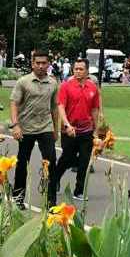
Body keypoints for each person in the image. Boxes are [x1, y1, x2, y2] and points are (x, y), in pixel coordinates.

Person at [9, 50, 59, 209]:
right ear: (32, 64)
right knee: (22, 163)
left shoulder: (53, 83)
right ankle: (18, 197)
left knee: (51, 164)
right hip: (26, 128)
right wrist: (15, 125)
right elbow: (14, 103)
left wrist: (56, 130)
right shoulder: (23, 82)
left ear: (48, 64)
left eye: (44, 63)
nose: (40, 66)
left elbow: (54, 108)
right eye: (37, 63)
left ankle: (51, 202)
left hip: (45, 127)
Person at [51, 58, 101, 202]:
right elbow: (60, 107)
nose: (78, 72)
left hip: (86, 130)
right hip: (70, 130)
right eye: (76, 69)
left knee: (85, 161)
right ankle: (55, 180)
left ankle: (79, 190)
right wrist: (66, 125)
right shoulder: (66, 86)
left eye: (81, 69)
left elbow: (95, 109)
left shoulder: (92, 88)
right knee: (66, 159)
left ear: (87, 71)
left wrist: (96, 130)